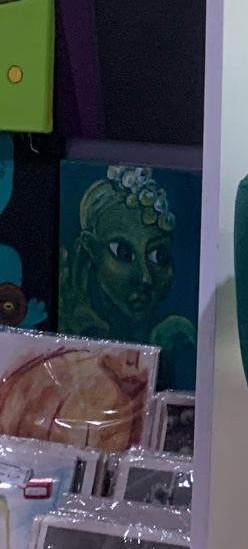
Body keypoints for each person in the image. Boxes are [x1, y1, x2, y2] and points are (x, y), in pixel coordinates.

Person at [59, 165, 195, 389]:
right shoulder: (72, 334)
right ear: (91, 250)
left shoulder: (177, 340)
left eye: (158, 256)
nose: (145, 278)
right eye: (123, 253)